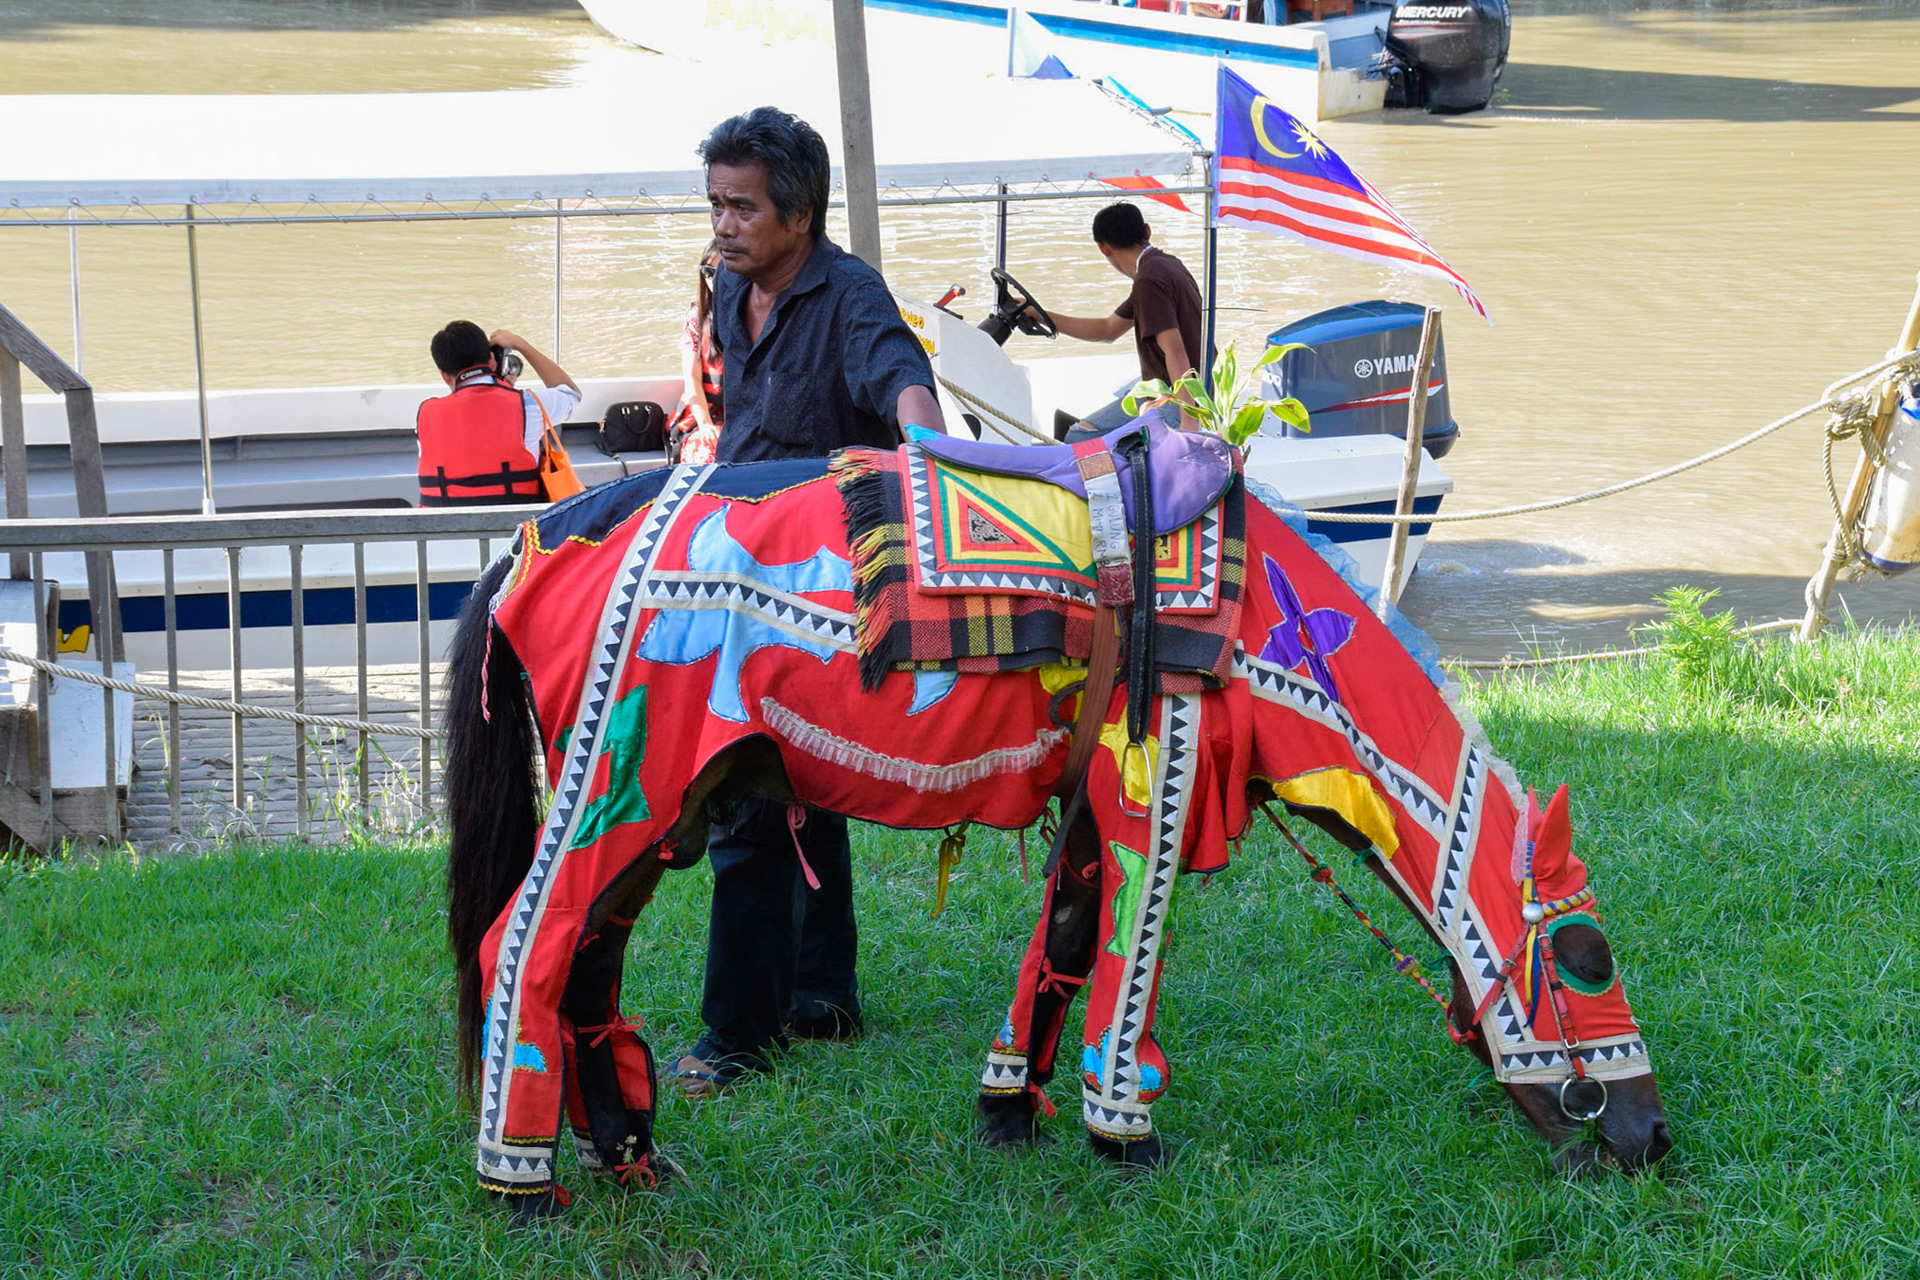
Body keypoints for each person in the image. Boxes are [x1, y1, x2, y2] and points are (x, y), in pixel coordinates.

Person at [672, 106, 946, 1097]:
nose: (725, 224)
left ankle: (736, 1036)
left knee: (744, 790)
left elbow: (907, 386)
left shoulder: (851, 296)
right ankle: (822, 999)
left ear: (800, 213)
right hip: (741, 566)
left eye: (742, 207)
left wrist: (934, 467)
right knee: (804, 783)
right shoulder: (732, 293)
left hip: (815, 587)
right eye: (716, 204)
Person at [1028, 201, 1205, 433]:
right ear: (1147, 231)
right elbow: (1108, 329)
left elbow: (1175, 351)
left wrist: (1189, 423)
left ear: (1103, 248)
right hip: (1198, 391)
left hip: (1182, 401)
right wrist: (1040, 314)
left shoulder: (1148, 281)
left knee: (1078, 436)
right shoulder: (1165, 265)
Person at [416, 321, 581, 506]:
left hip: (446, 532)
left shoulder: (425, 415)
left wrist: (502, 392)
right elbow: (571, 394)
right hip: (518, 531)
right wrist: (520, 344)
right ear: (492, 360)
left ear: (444, 374)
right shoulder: (527, 405)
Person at [667, 241, 727, 464]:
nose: (714, 279)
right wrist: (706, 424)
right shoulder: (696, 318)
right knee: (708, 457)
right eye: (708, 272)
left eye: (723, 272)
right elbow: (691, 377)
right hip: (706, 413)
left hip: (744, 416)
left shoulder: (758, 315)